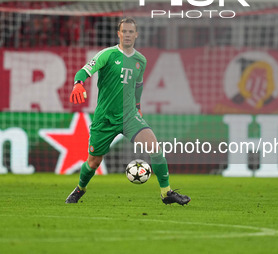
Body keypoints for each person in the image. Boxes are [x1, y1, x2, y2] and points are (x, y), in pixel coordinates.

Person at [65, 17, 190, 205]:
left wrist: (138, 107)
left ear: (136, 34)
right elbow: (84, 71)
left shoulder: (141, 60)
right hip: (105, 118)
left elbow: (138, 85)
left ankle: (166, 193)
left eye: (131, 31)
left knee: (155, 148)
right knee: (93, 163)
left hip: (129, 116)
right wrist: (78, 84)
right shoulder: (107, 55)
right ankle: (79, 189)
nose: (128, 35)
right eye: (124, 31)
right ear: (119, 34)